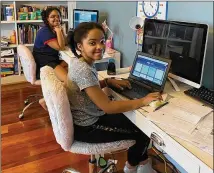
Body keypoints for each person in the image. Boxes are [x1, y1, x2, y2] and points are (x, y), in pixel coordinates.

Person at [67, 22, 161, 173]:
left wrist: (108, 81)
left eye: (102, 41)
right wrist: (142, 101)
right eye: (92, 43)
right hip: (88, 127)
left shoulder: (81, 63)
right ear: (79, 46)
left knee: (134, 122)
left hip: (89, 118)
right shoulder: (83, 70)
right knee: (143, 131)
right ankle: (130, 168)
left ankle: (143, 163)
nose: (100, 46)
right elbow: (108, 107)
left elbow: (88, 88)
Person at [33, 7, 67, 110]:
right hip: (45, 62)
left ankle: (68, 97)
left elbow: (65, 43)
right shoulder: (45, 32)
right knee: (68, 80)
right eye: (52, 16)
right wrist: (58, 30)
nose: (56, 18)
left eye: (58, 16)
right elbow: (60, 47)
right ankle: (45, 100)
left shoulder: (52, 29)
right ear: (47, 19)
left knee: (72, 66)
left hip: (52, 58)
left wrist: (60, 31)